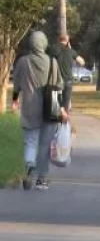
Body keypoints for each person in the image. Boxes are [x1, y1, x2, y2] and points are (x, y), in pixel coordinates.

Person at [11, 31, 69, 191]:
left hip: (29, 108)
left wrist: (15, 100)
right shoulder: (52, 62)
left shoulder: (23, 62)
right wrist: (62, 108)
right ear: (43, 44)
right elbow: (60, 85)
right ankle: (42, 179)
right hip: (50, 109)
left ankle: (29, 165)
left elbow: (16, 84)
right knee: (44, 144)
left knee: (30, 141)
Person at [47, 34, 85, 111]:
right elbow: (82, 62)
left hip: (56, 80)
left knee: (56, 103)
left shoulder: (53, 49)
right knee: (66, 104)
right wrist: (70, 49)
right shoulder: (71, 51)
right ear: (68, 41)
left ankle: (56, 117)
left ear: (59, 40)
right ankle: (64, 118)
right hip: (68, 81)